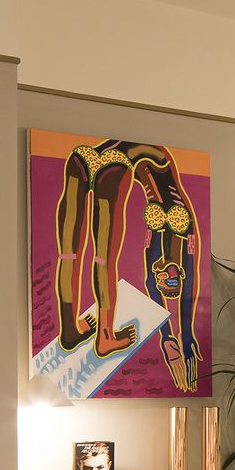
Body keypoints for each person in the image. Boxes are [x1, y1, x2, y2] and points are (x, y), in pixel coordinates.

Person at [54, 139, 203, 391]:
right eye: (171, 281)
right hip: (115, 163)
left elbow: (152, 283)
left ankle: (69, 331)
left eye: (165, 283)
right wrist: (185, 335)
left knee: (69, 253)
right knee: (103, 259)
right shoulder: (183, 227)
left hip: (87, 158)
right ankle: (104, 337)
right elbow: (186, 290)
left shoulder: (158, 236)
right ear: (178, 272)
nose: (164, 280)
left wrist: (169, 336)